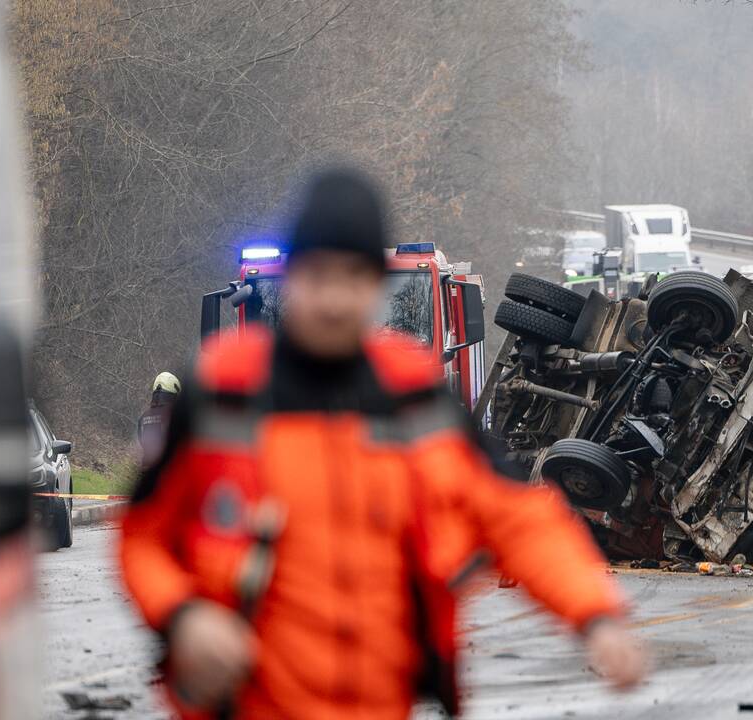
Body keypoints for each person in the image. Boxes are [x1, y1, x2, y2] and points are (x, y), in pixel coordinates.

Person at [119, 168, 646, 720]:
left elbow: (518, 518)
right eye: (317, 274)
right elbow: (143, 536)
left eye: (352, 277)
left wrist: (596, 616)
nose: (333, 299)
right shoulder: (221, 395)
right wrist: (183, 616)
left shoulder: (415, 401)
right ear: (291, 277)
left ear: (374, 286)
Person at [137, 371, 181, 469]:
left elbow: (142, 441)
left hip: (147, 471)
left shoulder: (143, 417)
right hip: (168, 472)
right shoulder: (174, 416)